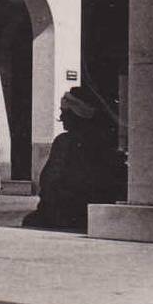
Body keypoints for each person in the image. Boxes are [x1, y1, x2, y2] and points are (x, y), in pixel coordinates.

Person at [22, 86, 126, 231]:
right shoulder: (105, 141)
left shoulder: (65, 142)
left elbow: (48, 182)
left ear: (77, 115)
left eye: (65, 113)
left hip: (68, 213)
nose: (62, 118)